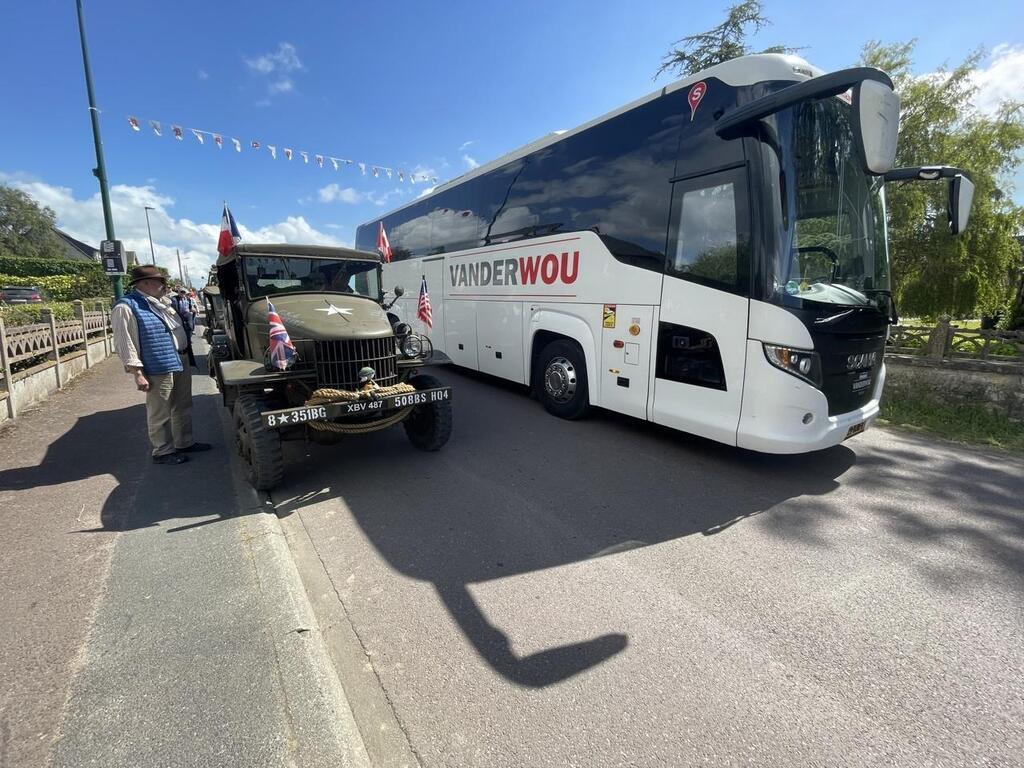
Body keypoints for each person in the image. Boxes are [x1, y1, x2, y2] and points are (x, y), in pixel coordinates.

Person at [112, 265, 212, 465]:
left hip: (179, 358)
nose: (165, 285)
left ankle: (184, 442)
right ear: (145, 283)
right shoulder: (126, 307)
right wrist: (137, 373)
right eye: (160, 281)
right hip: (157, 365)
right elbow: (125, 343)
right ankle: (163, 450)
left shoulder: (161, 303)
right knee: (160, 410)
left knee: (182, 404)